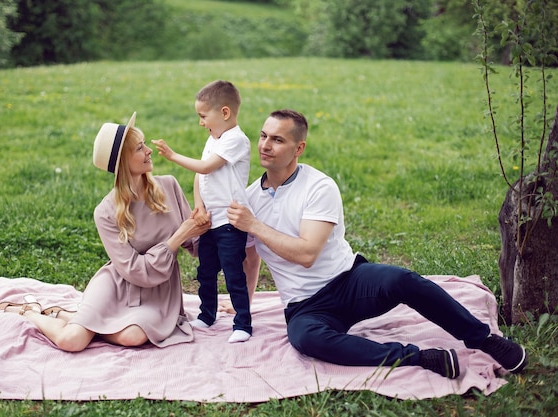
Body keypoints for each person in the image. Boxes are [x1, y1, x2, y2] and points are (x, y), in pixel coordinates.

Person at [226, 109, 528, 378]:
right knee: (306, 340)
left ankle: (483, 339)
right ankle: (421, 358)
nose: (265, 145)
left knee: (403, 279)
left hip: (349, 281)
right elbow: (250, 260)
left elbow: (306, 254)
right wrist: (244, 309)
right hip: (305, 306)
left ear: (299, 148)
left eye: (277, 140)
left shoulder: (319, 186)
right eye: (264, 136)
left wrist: (254, 224)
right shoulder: (250, 200)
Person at [0, 112, 210, 352]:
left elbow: (197, 245)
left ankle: (72, 316)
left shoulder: (169, 185)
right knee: (71, 341)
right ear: (123, 163)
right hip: (116, 285)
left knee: (133, 336)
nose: (148, 151)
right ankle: (29, 313)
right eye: (139, 148)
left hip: (159, 294)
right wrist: (179, 236)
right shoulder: (105, 211)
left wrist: (207, 221)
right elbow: (135, 270)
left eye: (144, 144)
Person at [152, 80, 252, 343]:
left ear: (225, 113)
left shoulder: (236, 140)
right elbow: (200, 176)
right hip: (211, 221)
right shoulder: (214, 139)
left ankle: (242, 323)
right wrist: (199, 204)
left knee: (233, 273)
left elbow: (206, 167)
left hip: (231, 220)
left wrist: (173, 156)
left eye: (203, 116)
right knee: (206, 271)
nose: (201, 123)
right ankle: (207, 315)